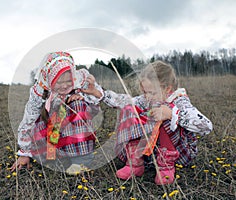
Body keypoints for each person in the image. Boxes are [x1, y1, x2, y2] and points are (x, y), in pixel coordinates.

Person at [84, 60, 213, 185]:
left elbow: (206, 126)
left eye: (152, 92)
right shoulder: (147, 99)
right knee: (129, 108)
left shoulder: (180, 101)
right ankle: (135, 163)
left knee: (162, 116)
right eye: (145, 92)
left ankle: (166, 166)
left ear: (167, 89)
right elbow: (122, 101)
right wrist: (97, 92)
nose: (148, 96)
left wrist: (171, 114)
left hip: (178, 151)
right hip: (151, 152)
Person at [10, 51, 103, 174]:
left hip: (71, 126)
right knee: (45, 124)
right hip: (52, 128)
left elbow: (97, 100)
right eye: (59, 82)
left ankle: (81, 159)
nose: (64, 86)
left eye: (68, 81)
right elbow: (29, 120)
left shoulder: (81, 81)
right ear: (50, 79)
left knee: (77, 106)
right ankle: (57, 154)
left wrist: (82, 97)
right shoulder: (39, 92)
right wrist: (25, 152)